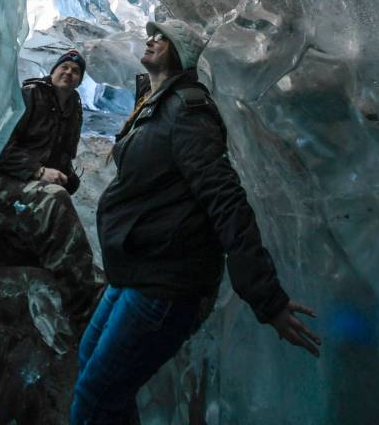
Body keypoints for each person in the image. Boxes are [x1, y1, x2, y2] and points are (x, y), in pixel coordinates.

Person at [70, 21, 320, 425]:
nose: (151, 39)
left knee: (95, 395)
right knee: (93, 370)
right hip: (137, 268)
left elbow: (225, 199)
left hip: (166, 282)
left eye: (162, 37)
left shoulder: (187, 108)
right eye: (151, 34)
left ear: (180, 52)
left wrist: (265, 296)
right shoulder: (155, 102)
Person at [0, 50, 100, 325]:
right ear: (52, 72)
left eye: (75, 71)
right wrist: (38, 171)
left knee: (61, 197)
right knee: (53, 199)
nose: (68, 72)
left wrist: (66, 174)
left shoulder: (73, 108)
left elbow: (63, 154)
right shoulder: (30, 96)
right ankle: (84, 302)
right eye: (63, 67)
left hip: (24, 186)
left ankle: (75, 278)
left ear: (79, 81)